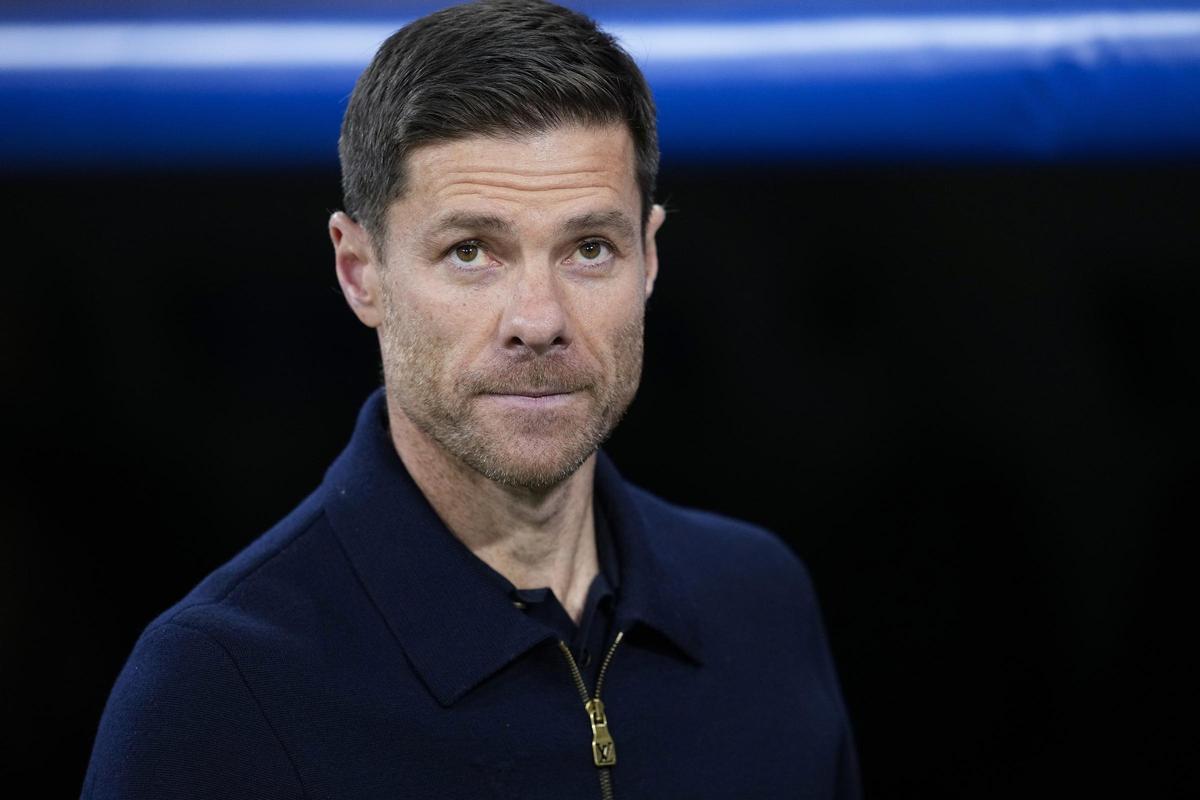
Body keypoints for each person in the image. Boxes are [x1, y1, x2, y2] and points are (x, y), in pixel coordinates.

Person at [81, 2, 860, 798]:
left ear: (649, 258)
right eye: (470, 251)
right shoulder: (219, 689)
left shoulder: (760, 605)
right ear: (360, 272)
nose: (539, 321)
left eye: (590, 248)